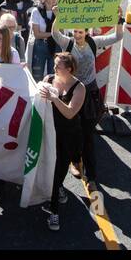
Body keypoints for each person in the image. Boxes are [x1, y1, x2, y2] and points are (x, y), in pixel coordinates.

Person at [50, 11, 125, 192]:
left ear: (87, 32)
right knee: (71, 132)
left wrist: (118, 20)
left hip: (90, 94)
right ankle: (75, 162)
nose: (77, 35)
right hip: (71, 92)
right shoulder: (67, 43)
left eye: (80, 33)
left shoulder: (94, 42)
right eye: (75, 32)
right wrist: (58, 16)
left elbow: (118, 36)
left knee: (88, 134)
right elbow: (55, 34)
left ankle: (91, 176)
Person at [37, 52, 85, 231]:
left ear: (69, 69)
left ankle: (54, 212)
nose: (54, 68)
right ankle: (59, 191)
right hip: (50, 133)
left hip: (69, 136)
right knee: (51, 168)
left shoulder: (79, 88)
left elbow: (70, 113)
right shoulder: (49, 79)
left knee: (58, 170)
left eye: (58, 66)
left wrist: (54, 99)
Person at [28, 0, 58, 80]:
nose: (54, 0)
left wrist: (57, 16)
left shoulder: (58, 11)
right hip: (40, 45)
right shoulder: (36, 11)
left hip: (55, 45)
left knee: (54, 75)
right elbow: (37, 34)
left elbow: (61, 31)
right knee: (37, 74)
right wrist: (53, 34)